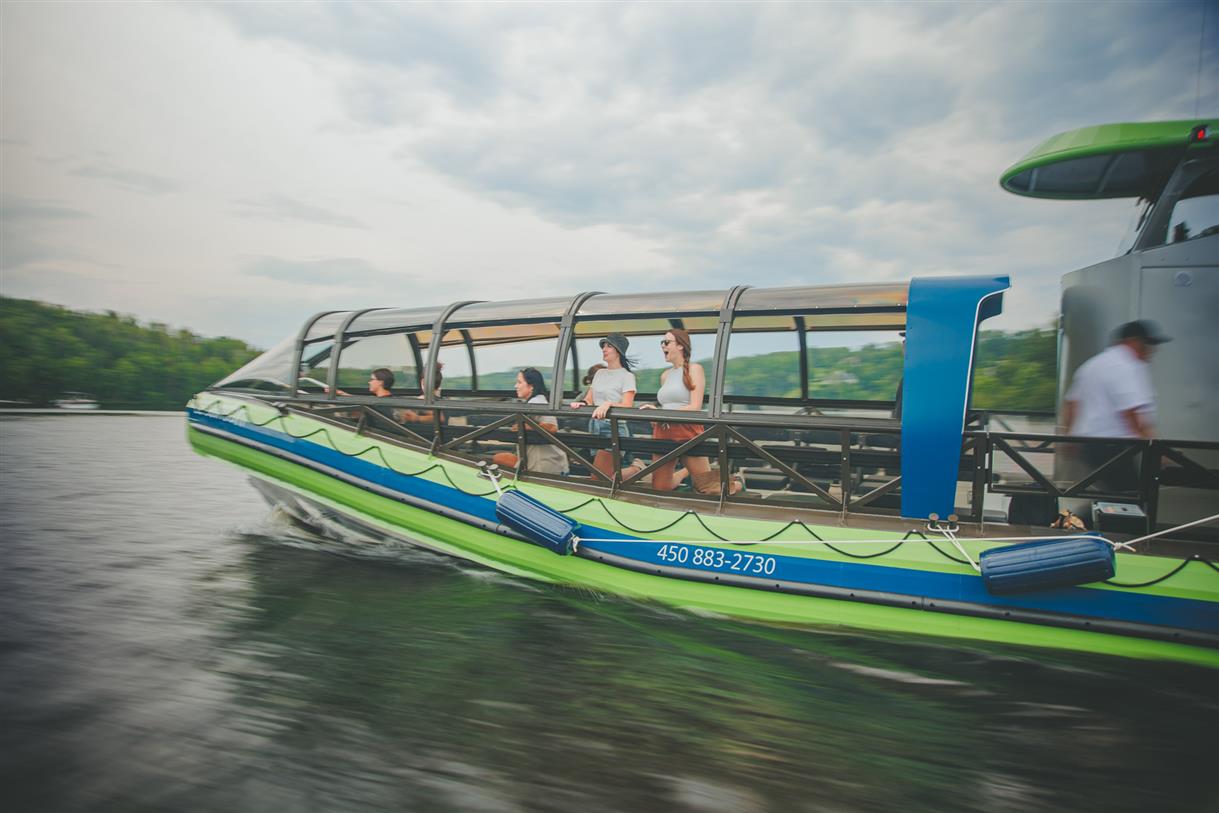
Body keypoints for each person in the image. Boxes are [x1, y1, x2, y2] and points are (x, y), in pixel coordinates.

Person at [1061, 320, 1170, 492]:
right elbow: (1132, 412)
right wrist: (1158, 451)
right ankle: (1078, 519)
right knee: (1130, 499)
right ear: (1133, 342)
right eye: (1148, 344)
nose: (1151, 350)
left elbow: (1071, 403)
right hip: (1112, 446)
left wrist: (1068, 437)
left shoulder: (1093, 364)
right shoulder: (1128, 366)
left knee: (1117, 496)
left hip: (1089, 445)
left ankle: (1082, 518)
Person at [635, 328, 738, 495]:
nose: (663, 346)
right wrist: (657, 413)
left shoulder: (694, 369)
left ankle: (737, 481)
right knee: (660, 488)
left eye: (666, 342)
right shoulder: (665, 375)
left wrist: (662, 415)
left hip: (687, 431)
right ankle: (685, 471)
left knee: (708, 488)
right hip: (663, 431)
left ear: (681, 346)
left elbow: (695, 406)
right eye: (662, 342)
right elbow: (667, 404)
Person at [570, 333, 636, 478]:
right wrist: (581, 403)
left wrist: (608, 404)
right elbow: (589, 399)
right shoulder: (599, 373)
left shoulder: (627, 376)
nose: (604, 349)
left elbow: (628, 405)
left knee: (597, 478)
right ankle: (635, 470)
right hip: (595, 427)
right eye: (603, 346)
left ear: (618, 351)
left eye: (609, 346)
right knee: (606, 477)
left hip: (613, 428)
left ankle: (636, 469)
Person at [491, 368, 569, 475]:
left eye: (519, 382)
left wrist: (526, 426)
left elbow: (552, 427)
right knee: (500, 458)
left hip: (546, 467)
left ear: (531, 386)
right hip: (551, 463)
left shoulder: (537, 402)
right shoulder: (537, 401)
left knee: (497, 459)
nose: (516, 386)